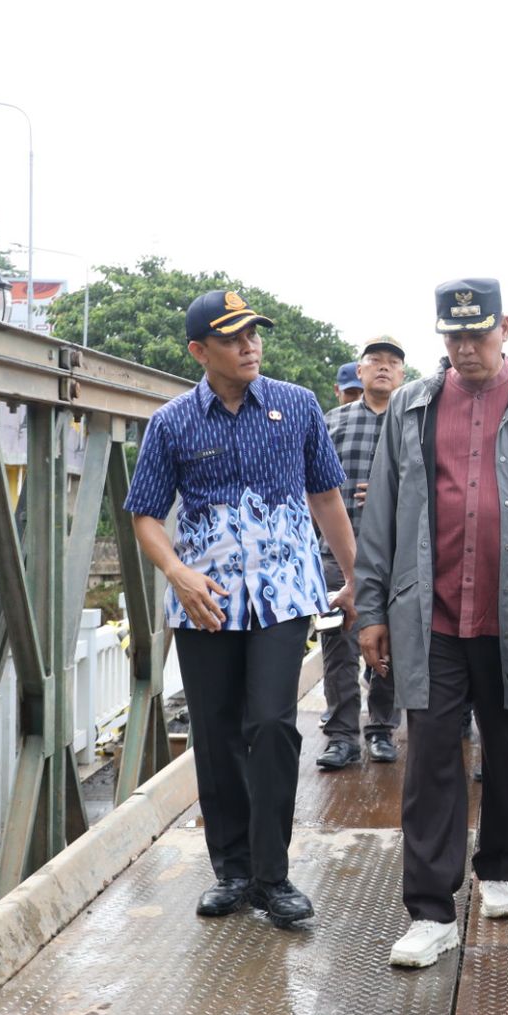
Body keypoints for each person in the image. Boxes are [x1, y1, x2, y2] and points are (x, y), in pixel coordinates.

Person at [356, 278, 508, 969]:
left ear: (505, 328)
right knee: (430, 753)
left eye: (478, 334)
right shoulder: (411, 405)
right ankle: (430, 911)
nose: (465, 348)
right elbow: (383, 518)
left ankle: (498, 866)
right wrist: (371, 608)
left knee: (507, 744)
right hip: (429, 613)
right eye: (454, 336)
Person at [124, 289, 356, 928]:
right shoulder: (173, 422)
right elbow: (144, 514)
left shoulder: (298, 405)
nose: (250, 345)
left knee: (272, 725)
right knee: (217, 732)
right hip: (207, 602)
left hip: (283, 595)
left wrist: (358, 575)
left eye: (254, 333)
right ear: (200, 351)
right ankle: (230, 871)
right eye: (232, 338)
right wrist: (176, 571)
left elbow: (326, 496)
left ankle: (273, 876)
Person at [315, 335, 409, 769]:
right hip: (337, 552)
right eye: (375, 360)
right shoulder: (331, 421)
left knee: (391, 645)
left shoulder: (414, 424)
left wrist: (396, 495)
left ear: (403, 374)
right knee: (338, 647)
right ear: (360, 369)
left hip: (397, 555)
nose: (384, 367)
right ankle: (340, 736)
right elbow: (310, 487)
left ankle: (381, 729)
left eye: (393, 362)